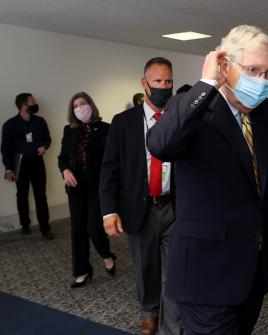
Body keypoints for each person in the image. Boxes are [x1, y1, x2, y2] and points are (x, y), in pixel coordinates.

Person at [147, 25, 268, 335]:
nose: (262, 81)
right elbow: (160, 144)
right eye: (252, 70)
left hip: (252, 268)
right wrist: (207, 82)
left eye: (267, 73)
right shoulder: (195, 106)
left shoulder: (263, 111)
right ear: (225, 65)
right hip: (205, 274)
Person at [100, 57, 182, 335]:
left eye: (168, 81)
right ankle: (150, 311)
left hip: (175, 206)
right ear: (144, 83)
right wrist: (109, 210)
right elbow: (109, 168)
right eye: (158, 81)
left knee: (175, 268)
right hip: (141, 207)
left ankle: (172, 323)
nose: (163, 86)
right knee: (146, 266)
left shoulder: (180, 117)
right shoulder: (123, 123)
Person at [58, 92, 116, 288]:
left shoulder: (105, 129)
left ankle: (107, 255)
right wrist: (65, 170)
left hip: (97, 186)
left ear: (91, 105)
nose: (80, 108)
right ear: (72, 110)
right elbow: (62, 156)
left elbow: (112, 159)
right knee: (78, 231)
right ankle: (82, 271)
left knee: (93, 227)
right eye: (76, 106)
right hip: (75, 187)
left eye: (83, 104)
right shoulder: (69, 130)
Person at [1, 93, 53, 240]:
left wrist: (44, 147)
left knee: (40, 195)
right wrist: (9, 168)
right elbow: (5, 149)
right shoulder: (9, 125)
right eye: (32, 101)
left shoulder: (40, 121)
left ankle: (45, 228)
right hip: (19, 163)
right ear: (23, 105)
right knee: (22, 196)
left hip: (37, 162)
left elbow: (47, 139)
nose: (35, 103)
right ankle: (25, 225)